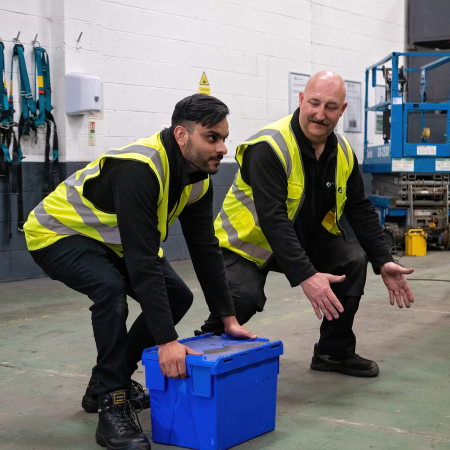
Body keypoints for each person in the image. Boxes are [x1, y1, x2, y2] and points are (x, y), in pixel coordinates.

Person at [24, 94, 256, 450]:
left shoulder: (197, 179)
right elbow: (143, 260)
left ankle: (104, 381)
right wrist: (166, 341)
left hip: (110, 241)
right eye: (213, 137)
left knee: (178, 296)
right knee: (109, 288)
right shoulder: (140, 169)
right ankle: (111, 404)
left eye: (224, 137)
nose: (223, 147)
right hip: (58, 233)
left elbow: (205, 250)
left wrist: (228, 318)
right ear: (182, 135)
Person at [198, 71, 415, 378]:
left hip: (303, 238)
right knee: (242, 298)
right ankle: (201, 355)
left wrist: (384, 260)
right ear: (301, 100)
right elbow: (273, 220)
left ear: (342, 111)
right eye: (314, 103)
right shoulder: (269, 147)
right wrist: (307, 275)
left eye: (330, 107)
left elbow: (360, 209)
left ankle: (333, 351)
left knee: (351, 260)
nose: (320, 114)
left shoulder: (342, 153)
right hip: (246, 244)